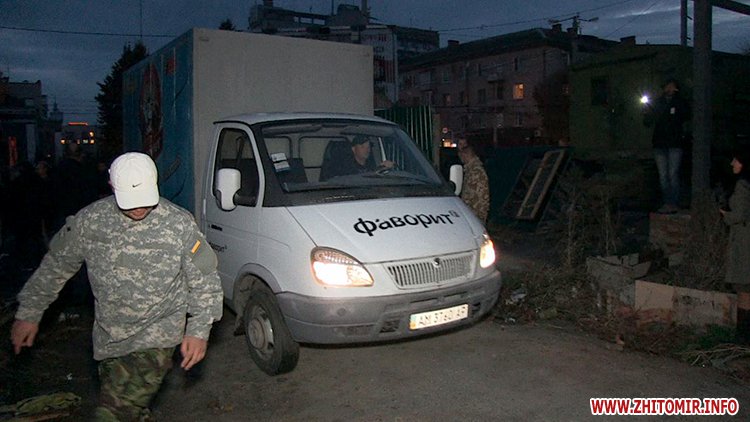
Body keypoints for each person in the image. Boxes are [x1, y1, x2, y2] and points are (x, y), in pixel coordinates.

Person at [11, 152, 224, 421]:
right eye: (131, 200)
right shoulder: (90, 221)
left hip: (156, 337)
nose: (139, 209)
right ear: (112, 187)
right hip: (109, 339)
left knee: (112, 414)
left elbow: (205, 279)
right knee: (129, 409)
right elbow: (56, 266)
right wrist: (29, 312)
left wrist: (199, 330)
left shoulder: (178, 223)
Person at [643, 78, 691, 214]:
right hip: (660, 144)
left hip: (675, 143)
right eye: (667, 86)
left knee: (673, 174)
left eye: (672, 86)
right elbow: (648, 121)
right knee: (663, 176)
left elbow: (686, 115)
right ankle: (667, 202)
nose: (669, 89)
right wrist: (646, 112)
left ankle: (674, 203)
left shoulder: (680, 102)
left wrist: (677, 99)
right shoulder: (658, 103)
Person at [720, 149, 750, 344]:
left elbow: (740, 214)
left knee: (744, 289)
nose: (733, 163)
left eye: (736, 160)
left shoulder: (743, 185)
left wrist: (726, 215)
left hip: (744, 242)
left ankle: (743, 337)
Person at [329, 135, 394, 178]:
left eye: (368, 147)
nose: (367, 150)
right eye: (362, 147)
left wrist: (383, 168)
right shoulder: (344, 168)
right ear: (353, 149)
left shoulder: (371, 165)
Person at [458, 141, 490, 224]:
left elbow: (481, 196)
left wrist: (478, 215)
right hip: (471, 213)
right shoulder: (470, 169)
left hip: (475, 214)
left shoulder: (476, 171)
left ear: (465, 155)